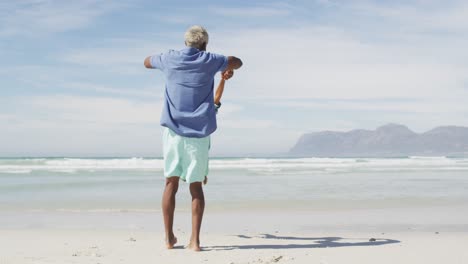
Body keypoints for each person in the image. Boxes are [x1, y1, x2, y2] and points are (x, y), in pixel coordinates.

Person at [144, 25, 243, 251]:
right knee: (196, 187)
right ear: (205, 44)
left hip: (172, 133)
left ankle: (169, 238)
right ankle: (195, 242)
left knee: (171, 183)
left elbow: (147, 61)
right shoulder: (210, 59)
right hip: (198, 135)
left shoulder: (169, 58)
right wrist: (225, 68)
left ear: (186, 42)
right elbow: (237, 62)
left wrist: (161, 60)